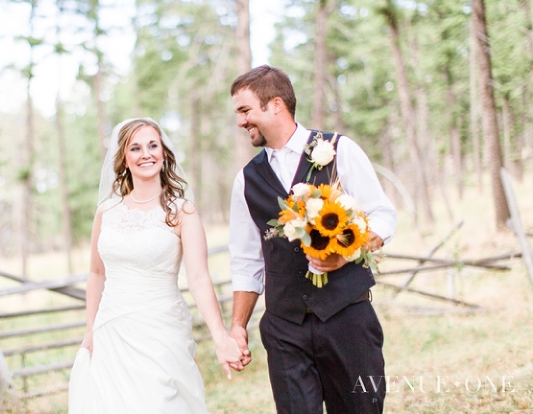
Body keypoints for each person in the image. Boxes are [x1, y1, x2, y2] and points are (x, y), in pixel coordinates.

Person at [227, 65, 398, 414]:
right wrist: (237, 327)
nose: (241, 121)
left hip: (348, 319)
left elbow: (383, 215)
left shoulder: (338, 150)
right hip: (285, 327)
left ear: (275, 105)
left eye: (245, 111)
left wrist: (346, 253)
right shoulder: (246, 180)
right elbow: (247, 262)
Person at [68, 117, 243, 413]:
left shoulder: (182, 212)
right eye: (135, 148)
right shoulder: (106, 212)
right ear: (124, 159)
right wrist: (90, 330)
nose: (146, 154)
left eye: (152, 145)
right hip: (112, 330)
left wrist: (220, 336)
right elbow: (97, 273)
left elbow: (199, 278)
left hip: (160, 331)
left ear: (164, 153)